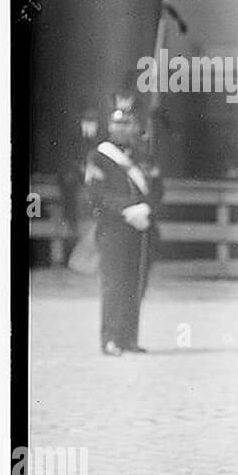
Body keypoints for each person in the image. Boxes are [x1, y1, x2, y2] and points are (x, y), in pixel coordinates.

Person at [84, 94, 162, 355]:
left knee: (136, 284)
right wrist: (127, 210)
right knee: (114, 284)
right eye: (117, 123)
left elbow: (157, 189)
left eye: (127, 123)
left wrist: (147, 207)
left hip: (141, 229)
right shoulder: (99, 156)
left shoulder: (144, 155)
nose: (122, 128)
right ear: (110, 125)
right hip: (114, 229)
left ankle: (129, 338)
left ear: (134, 126)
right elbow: (97, 195)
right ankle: (110, 339)